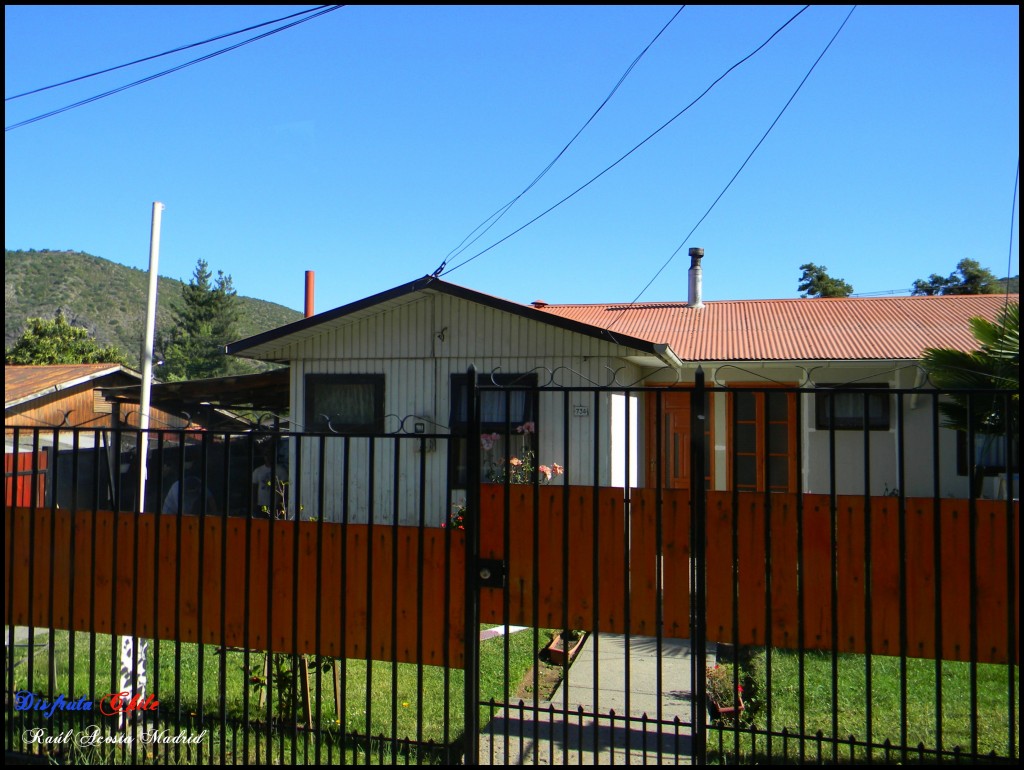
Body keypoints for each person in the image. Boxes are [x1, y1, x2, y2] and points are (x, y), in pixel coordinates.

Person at [252, 445, 288, 518]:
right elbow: (254, 489)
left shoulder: (281, 471)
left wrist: (280, 504)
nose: (268, 457)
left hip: (276, 506)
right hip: (261, 506)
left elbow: (285, 489)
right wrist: (253, 505)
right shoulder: (257, 471)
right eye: (266, 454)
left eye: (270, 454)